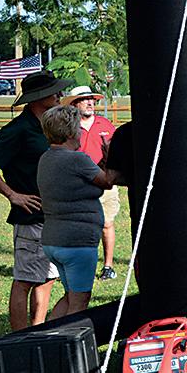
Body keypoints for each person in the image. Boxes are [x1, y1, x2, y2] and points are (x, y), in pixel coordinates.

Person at [0, 70, 71, 331]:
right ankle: (17, 337)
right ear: (38, 97)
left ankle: (37, 330)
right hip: (31, 218)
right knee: (25, 280)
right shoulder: (19, 129)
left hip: (52, 216)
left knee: (47, 277)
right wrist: (12, 195)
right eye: (53, 91)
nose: (59, 95)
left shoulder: (48, 126)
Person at [36, 104, 118, 321]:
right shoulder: (77, 159)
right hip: (77, 243)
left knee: (70, 296)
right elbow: (108, 181)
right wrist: (111, 155)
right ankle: (67, 340)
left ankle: (47, 335)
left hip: (53, 239)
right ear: (72, 132)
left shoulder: (46, 158)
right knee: (79, 302)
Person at [65, 86, 119, 281]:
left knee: (106, 223)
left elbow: (117, 152)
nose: (90, 103)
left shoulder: (105, 124)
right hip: (78, 184)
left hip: (104, 182)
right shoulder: (68, 128)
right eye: (84, 99)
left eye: (92, 100)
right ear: (74, 104)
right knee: (79, 225)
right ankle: (76, 266)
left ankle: (108, 266)